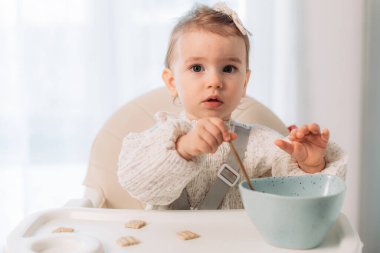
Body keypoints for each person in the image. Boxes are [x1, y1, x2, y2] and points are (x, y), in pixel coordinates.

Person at [117, 3, 347, 210]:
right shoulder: (159, 140)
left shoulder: (262, 143)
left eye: (228, 69)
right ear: (171, 82)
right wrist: (184, 148)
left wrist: (311, 165)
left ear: (244, 82)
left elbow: (300, 201)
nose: (214, 81)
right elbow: (138, 182)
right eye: (197, 68)